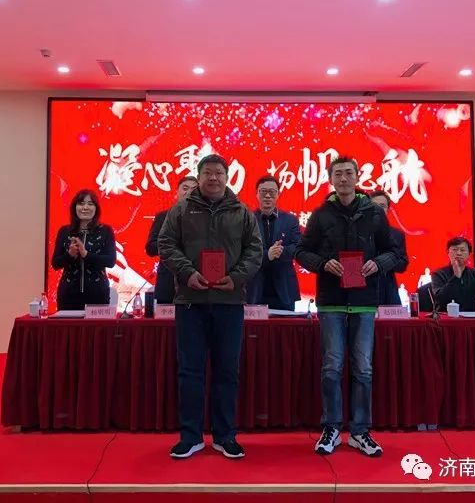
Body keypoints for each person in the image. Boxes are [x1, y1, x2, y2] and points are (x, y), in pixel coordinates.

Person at [296, 156, 405, 457]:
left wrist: (377, 263)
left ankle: (360, 431)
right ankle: (331, 427)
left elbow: (394, 252)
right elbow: (302, 252)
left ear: (357, 177)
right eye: (338, 174)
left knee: (363, 369)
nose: (343, 178)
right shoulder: (321, 215)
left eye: (348, 173)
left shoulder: (374, 213)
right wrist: (323, 263)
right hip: (331, 301)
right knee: (332, 367)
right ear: (330, 179)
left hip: (364, 302)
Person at [158, 154, 263, 460]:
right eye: (207, 173)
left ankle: (224, 435)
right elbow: (166, 244)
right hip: (190, 302)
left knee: (227, 371)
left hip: (229, 303)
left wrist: (237, 277)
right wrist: (187, 273)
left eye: (219, 173)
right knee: (189, 371)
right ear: (199, 176)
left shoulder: (241, 211)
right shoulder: (181, 209)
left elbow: (255, 250)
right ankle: (190, 437)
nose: (213, 178)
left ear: (227, 178)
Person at [51, 189, 116, 310]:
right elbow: (55, 263)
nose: (85, 207)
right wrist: (69, 255)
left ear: (96, 208)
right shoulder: (65, 231)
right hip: (68, 294)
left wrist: (86, 254)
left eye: (90, 204)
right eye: (81, 203)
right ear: (74, 207)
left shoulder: (105, 230)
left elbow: (111, 261)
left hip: (97, 294)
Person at [246, 175, 301, 311]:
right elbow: (244, 251)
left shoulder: (290, 220)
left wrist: (279, 251)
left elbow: (298, 247)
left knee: (285, 325)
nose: (267, 196)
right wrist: (267, 255)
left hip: (284, 290)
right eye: (263, 191)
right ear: (257, 194)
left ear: (278, 194)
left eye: (272, 192)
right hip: (255, 289)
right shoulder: (247, 220)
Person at [145, 176, 199, 304]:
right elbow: (150, 248)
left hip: (197, 284)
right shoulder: (163, 217)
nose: (189, 192)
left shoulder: (206, 219)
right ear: (177, 192)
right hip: (168, 284)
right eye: (185, 188)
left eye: (194, 189)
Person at [429, 237, 475, 312]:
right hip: (446, 317)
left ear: (469, 254)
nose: (458, 253)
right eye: (454, 250)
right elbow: (440, 300)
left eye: (462, 250)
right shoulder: (438, 274)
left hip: (470, 318)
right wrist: (456, 278)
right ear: (448, 253)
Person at [368, 190, 409, 306]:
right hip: (364, 289)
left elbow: (402, 265)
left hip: (388, 289)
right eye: (374, 205)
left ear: (388, 210)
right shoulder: (359, 232)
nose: (378, 209)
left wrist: (385, 261)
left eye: (382, 206)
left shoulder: (396, 234)